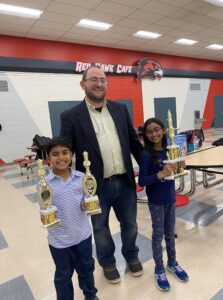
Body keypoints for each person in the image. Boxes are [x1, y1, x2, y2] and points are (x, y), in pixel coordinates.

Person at [60, 66, 144, 284]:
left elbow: (135, 144)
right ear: (83, 84)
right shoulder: (70, 116)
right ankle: (107, 262)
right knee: (100, 227)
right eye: (94, 79)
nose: (99, 84)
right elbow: (66, 153)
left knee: (131, 224)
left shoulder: (120, 109)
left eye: (103, 80)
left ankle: (132, 255)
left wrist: (153, 163)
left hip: (125, 181)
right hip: (95, 186)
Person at [38, 136, 98, 300]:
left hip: (82, 236)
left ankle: (90, 294)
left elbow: (88, 198)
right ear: (48, 158)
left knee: (86, 269)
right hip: (59, 241)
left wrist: (86, 202)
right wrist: (45, 215)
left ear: (72, 155)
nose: (61, 157)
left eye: (65, 152)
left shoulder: (82, 178)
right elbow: (43, 208)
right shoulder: (44, 184)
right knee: (63, 276)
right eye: (55, 154)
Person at [138, 118, 189, 292]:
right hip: (156, 202)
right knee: (158, 235)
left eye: (157, 129)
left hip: (170, 198)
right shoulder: (145, 155)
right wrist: (160, 174)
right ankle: (159, 268)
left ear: (164, 130)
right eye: (150, 131)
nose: (154, 134)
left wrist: (180, 165)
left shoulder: (170, 150)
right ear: (145, 135)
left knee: (170, 233)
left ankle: (172, 262)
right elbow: (142, 181)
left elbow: (175, 171)